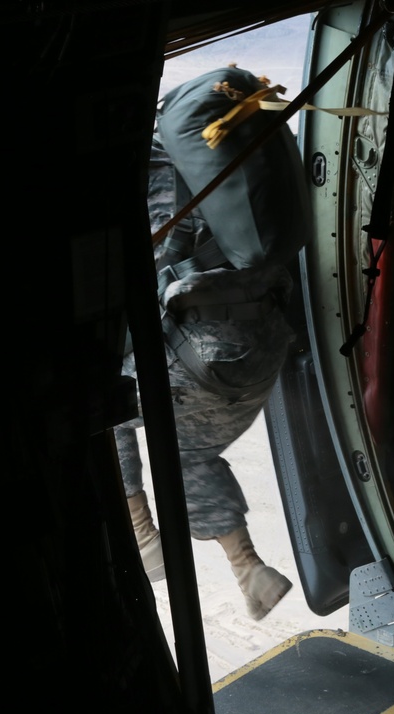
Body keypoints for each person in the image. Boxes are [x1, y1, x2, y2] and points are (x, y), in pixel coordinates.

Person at [114, 132, 296, 621]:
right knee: (189, 449)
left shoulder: (141, 182)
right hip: (271, 337)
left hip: (210, 359)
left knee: (105, 394)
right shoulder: (215, 149)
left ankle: (141, 533)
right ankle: (248, 569)